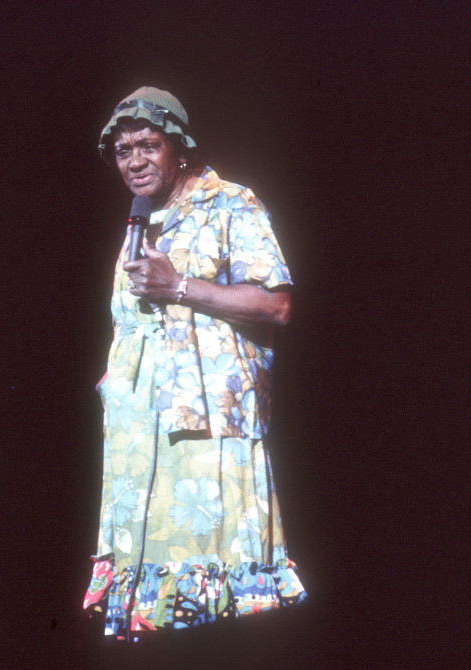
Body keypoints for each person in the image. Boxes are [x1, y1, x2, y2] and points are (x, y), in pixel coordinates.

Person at [83, 86, 307, 640]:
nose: (135, 161)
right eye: (123, 150)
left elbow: (276, 305)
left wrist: (178, 285)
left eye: (148, 145)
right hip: (140, 441)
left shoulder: (231, 203)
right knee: (154, 625)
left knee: (222, 617)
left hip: (209, 434)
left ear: (177, 147)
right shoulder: (141, 223)